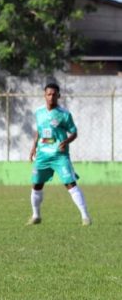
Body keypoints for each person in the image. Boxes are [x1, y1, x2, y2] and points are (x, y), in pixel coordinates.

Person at [28, 83, 91, 226]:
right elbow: (38, 130)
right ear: (45, 95)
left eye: (54, 94)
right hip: (42, 155)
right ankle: (36, 216)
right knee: (36, 185)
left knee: (70, 184)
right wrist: (33, 147)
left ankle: (85, 216)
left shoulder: (64, 114)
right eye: (48, 94)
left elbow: (74, 132)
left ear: (59, 96)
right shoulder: (38, 112)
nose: (51, 97)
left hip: (59, 155)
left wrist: (66, 141)